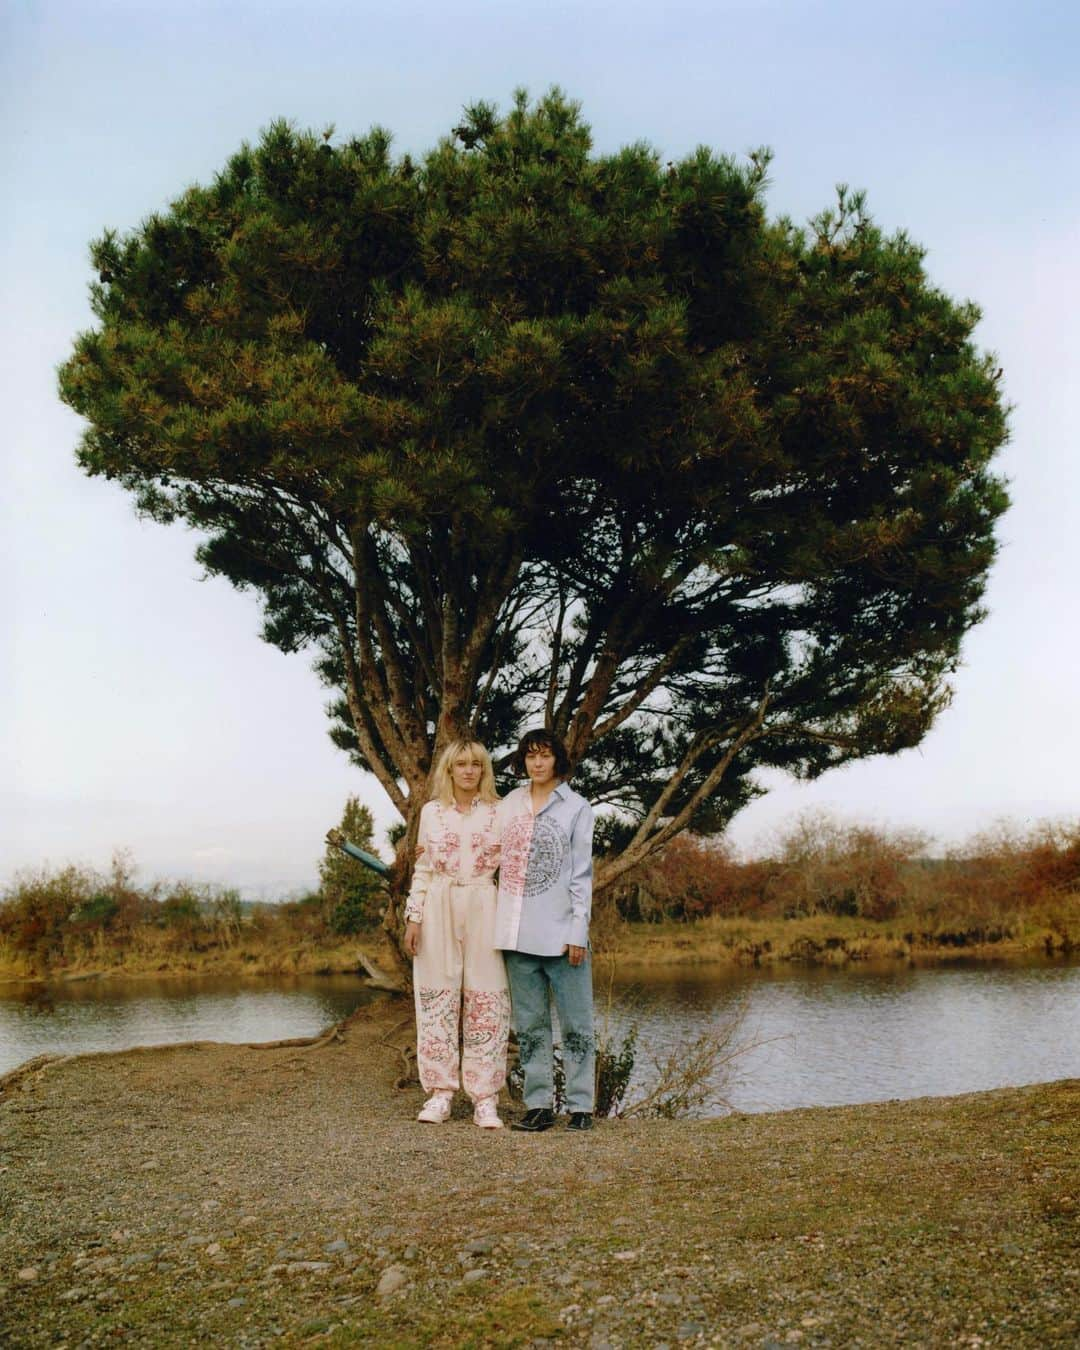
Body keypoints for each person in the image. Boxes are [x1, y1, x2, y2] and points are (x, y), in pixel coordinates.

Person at [402, 739, 510, 1128]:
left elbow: (513, 868)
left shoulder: (500, 812)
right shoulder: (432, 813)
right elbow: (424, 869)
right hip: (438, 905)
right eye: (461, 764)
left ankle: (485, 1097)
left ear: (484, 770)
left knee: (487, 999)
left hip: (484, 904)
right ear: (449, 770)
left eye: (476, 765)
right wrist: (413, 918)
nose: (468, 771)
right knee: (436, 996)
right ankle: (440, 1094)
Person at [495, 728, 596, 1132]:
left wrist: (577, 931)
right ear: (523, 761)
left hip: (562, 936)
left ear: (558, 760)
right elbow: (484, 848)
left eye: (546, 756)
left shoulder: (576, 807)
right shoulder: (509, 805)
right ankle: (538, 1106)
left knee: (576, 1023)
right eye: (531, 756)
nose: (538, 763)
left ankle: (581, 1106)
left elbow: (582, 876)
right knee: (532, 1025)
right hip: (517, 936)